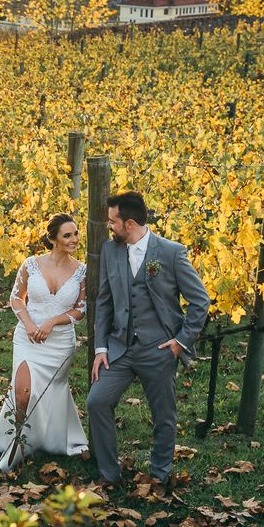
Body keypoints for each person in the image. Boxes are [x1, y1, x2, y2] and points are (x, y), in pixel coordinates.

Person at [86, 191, 209, 496]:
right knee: (96, 401)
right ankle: (109, 475)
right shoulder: (110, 250)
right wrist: (101, 348)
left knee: (163, 416)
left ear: (129, 224)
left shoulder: (171, 252)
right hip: (120, 348)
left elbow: (200, 300)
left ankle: (159, 476)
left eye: (113, 222)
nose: (109, 227)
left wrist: (181, 342)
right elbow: (103, 302)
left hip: (159, 349)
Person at [0, 213, 90, 472]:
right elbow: (16, 298)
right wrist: (30, 324)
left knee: (48, 392)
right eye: (67, 235)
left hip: (60, 344)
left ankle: (46, 439)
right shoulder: (31, 264)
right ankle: (16, 446)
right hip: (27, 338)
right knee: (22, 393)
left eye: (76, 233)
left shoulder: (81, 270)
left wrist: (51, 323)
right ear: (53, 239)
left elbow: (80, 309)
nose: (74, 239)